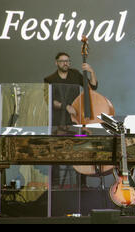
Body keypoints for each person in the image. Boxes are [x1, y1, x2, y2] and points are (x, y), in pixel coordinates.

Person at [44, 52, 98, 187]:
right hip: (57, 122)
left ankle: (82, 183)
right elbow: (48, 100)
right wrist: (65, 106)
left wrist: (91, 72)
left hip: (76, 121)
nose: (65, 63)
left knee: (81, 149)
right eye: (62, 61)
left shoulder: (75, 75)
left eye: (67, 61)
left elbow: (92, 87)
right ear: (56, 63)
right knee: (56, 151)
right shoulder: (49, 79)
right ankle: (55, 184)